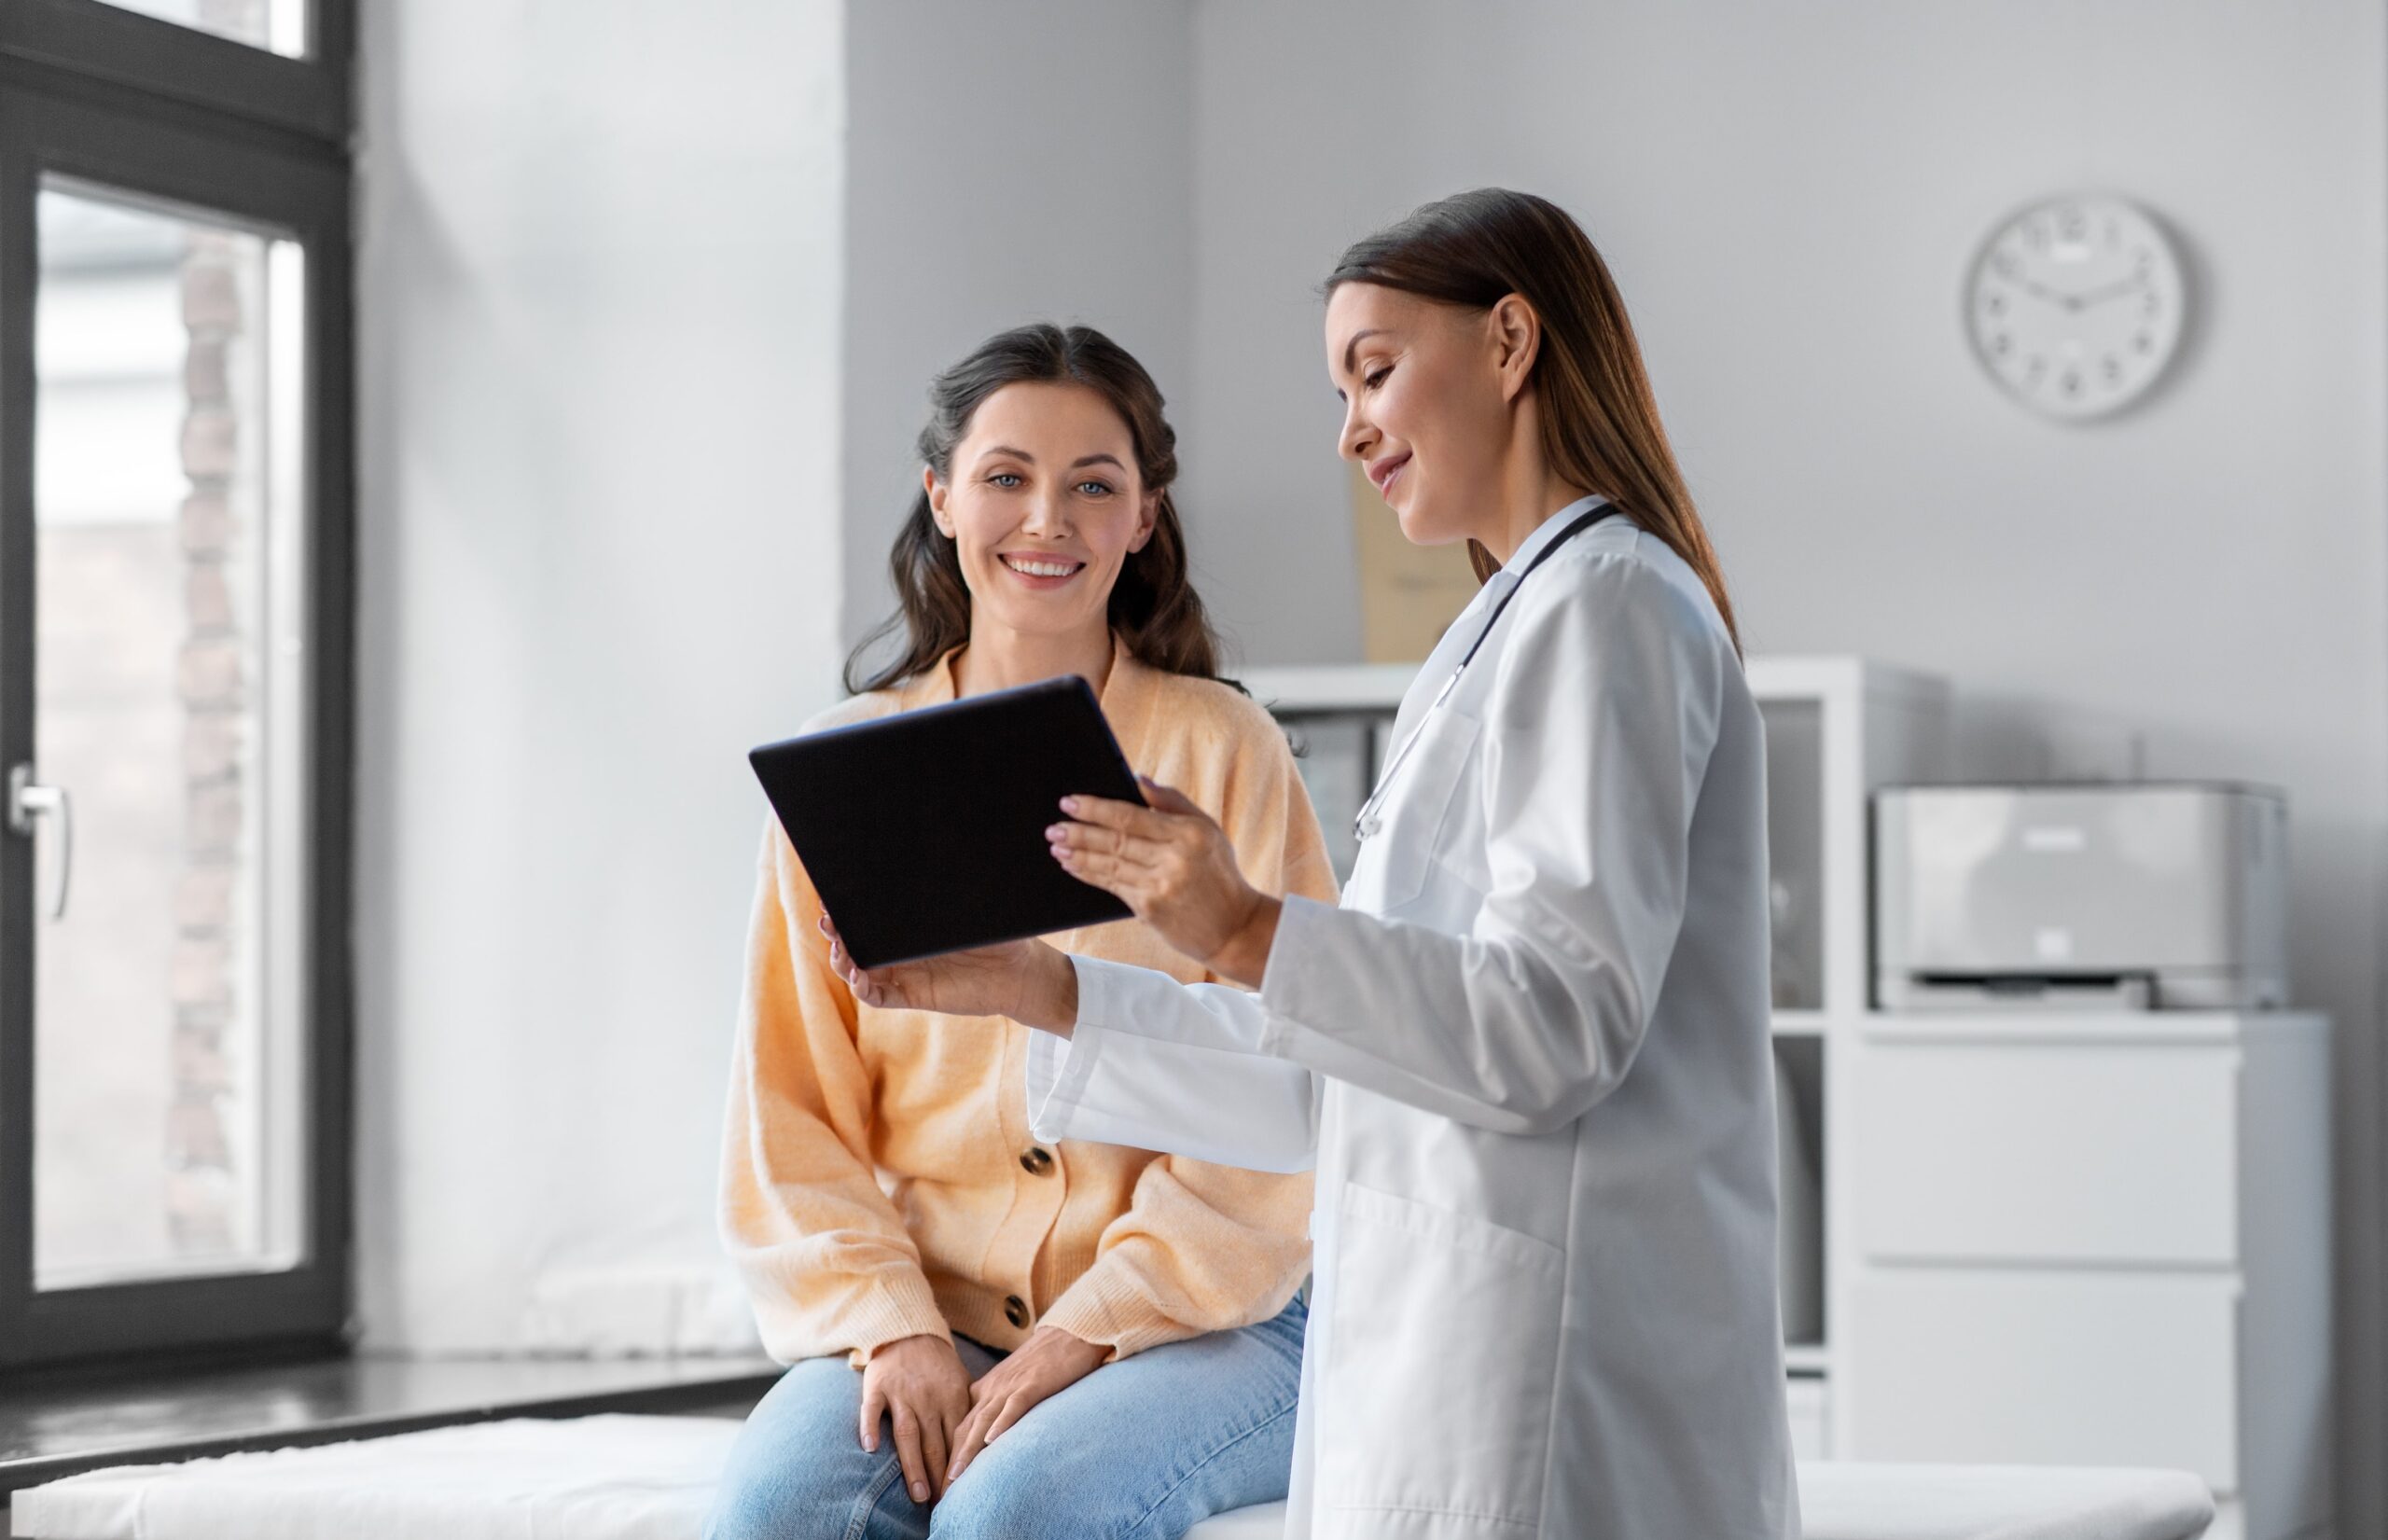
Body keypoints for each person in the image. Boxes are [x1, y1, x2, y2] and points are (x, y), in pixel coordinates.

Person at [823, 191, 1798, 1539]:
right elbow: (1337, 1082)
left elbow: (1556, 1031)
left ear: (1511, 342)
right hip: (1439, 1352)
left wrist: (1241, 924)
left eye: (1376, 371)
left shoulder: (1610, 609)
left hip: (1554, 1382)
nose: (1350, 431)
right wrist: (1049, 992)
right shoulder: (1497, 638)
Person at [708, 323, 1335, 1540]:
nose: (1047, 520)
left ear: (1144, 517)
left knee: (1019, 1513)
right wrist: (893, 1325)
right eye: (1006, 477)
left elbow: (1288, 1094)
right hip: (921, 1305)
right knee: (784, 1508)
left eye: (1093, 485)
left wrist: (1077, 1335)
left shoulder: (1222, 752)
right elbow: (787, 1110)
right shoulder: (844, 768)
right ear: (941, 495)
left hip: (1216, 1312)